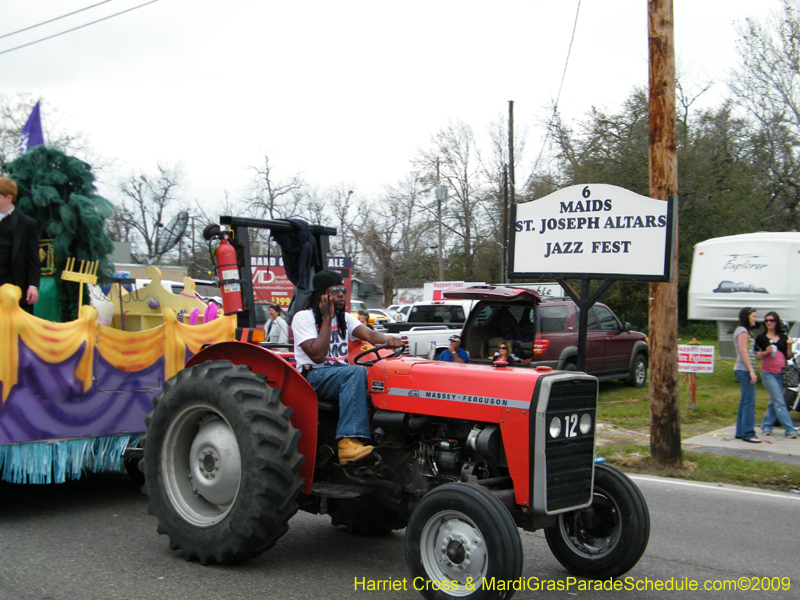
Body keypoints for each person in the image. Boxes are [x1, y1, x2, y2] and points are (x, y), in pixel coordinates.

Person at [292, 270, 403, 464]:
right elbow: (317, 355)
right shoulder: (304, 318)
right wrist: (326, 320)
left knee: (379, 379)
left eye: (343, 290)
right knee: (355, 372)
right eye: (335, 291)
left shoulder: (345, 318)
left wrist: (388, 339)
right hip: (314, 377)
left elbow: (369, 335)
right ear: (322, 295)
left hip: (339, 377)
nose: (342, 295)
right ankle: (348, 441)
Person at [756, 311, 799, 438]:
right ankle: (790, 429)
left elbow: (788, 356)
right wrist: (765, 352)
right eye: (767, 320)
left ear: (777, 322)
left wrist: (789, 346)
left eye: (772, 320)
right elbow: (756, 355)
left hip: (781, 373)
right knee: (780, 401)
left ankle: (767, 426)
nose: (769, 323)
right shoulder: (761, 338)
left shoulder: (783, 337)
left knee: (774, 400)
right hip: (768, 373)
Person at [0, 177, 39, 314]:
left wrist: (33, 285)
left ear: (9, 198)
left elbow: (32, 257)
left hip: (14, 287)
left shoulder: (27, 224)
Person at [734, 307, 761, 443]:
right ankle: (749, 433)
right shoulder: (742, 331)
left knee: (744, 401)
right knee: (750, 402)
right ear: (747, 317)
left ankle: (740, 431)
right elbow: (743, 351)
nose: (755, 319)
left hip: (745, 369)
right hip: (744, 369)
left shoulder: (745, 331)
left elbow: (748, 351)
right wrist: (751, 371)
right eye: (753, 316)